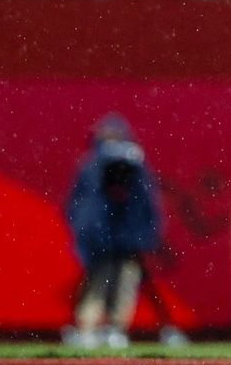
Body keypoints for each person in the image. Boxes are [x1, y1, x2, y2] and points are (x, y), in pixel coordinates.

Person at [64, 113, 164, 349]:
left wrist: (143, 235)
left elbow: (145, 203)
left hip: (125, 237)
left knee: (124, 284)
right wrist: (88, 233)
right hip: (102, 237)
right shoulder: (92, 165)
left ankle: (114, 329)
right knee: (97, 283)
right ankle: (87, 329)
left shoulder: (136, 165)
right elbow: (81, 204)